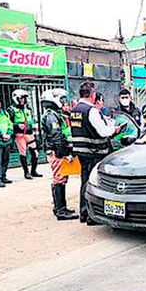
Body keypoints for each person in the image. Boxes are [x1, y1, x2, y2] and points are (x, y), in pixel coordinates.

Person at [69, 81, 119, 225]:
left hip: (81, 152)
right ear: (93, 95)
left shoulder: (75, 110)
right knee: (94, 184)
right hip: (94, 152)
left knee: (84, 182)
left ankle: (84, 212)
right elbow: (103, 131)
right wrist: (114, 130)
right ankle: (91, 216)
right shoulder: (91, 110)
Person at [42, 89, 78, 221]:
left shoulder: (57, 115)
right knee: (59, 179)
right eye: (61, 99)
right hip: (56, 152)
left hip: (58, 151)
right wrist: (65, 153)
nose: (63, 102)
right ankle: (60, 210)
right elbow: (57, 136)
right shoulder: (51, 116)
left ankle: (60, 208)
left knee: (62, 178)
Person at [9, 89, 42, 180]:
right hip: (20, 134)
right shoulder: (11, 109)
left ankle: (33, 171)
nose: (23, 100)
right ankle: (26, 172)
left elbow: (32, 120)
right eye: (21, 98)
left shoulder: (28, 108)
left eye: (24, 98)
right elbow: (8, 123)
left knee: (35, 152)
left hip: (29, 133)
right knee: (23, 153)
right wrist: (16, 125)